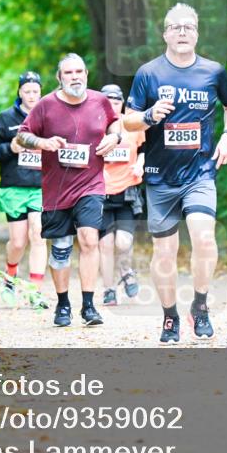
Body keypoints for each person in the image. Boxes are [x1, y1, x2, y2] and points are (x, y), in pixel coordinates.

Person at [123, 3, 227, 344]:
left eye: (188, 27)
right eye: (175, 27)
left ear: (197, 33)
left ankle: (200, 306)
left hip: (200, 173)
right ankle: (170, 316)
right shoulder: (148, 73)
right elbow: (127, 120)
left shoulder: (213, 71)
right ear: (165, 34)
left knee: (205, 238)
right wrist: (148, 116)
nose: (182, 32)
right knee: (164, 253)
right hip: (160, 176)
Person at [16, 54, 122, 328]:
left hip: (91, 184)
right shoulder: (46, 105)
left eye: (79, 71)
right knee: (61, 248)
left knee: (89, 239)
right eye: (68, 72)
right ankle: (63, 304)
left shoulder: (100, 100)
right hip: (56, 189)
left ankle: (89, 305)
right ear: (59, 78)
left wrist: (114, 136)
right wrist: (42, 141)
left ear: (86, 73)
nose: (75, 76)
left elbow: (115, 122)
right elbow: (22, 135)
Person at [0, 71, 48, 299]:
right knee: (18, 241)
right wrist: (10, 149)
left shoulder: (49, 115)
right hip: (14, 186)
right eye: (27, 91)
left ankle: (35, 291)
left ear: (41, 92)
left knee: (38, 234)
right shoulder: (6, 118)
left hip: (41, 187)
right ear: (20, 92)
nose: (31, 96)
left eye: (35, 91)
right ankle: (10, 277)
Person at [98, 84, 145, 307]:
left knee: (123, 242)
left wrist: (141, 165)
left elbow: (145, 150)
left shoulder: (133, 124)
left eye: (116, 102)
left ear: (123, 103)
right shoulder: (94, 125)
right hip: (101, 192)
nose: (112, 106)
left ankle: (126, 273)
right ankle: (108, 289)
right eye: (108, 102)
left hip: (127, 190)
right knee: (105, 245)